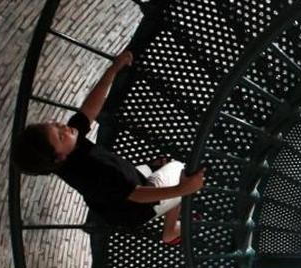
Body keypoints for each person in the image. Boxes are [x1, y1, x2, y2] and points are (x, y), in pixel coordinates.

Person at [13, 50, 205, 245]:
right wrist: (183, 188)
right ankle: (170, 232)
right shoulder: (93, 173)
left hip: (123, 191)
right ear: (59, 157)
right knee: (181, 169)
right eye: (60, 135)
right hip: (139, 207)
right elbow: (136, 195)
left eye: (55, 124)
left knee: (156, 175)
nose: (63, 126)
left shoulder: (70, 144)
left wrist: (113, 70)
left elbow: (88, 111)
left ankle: (159, 174)